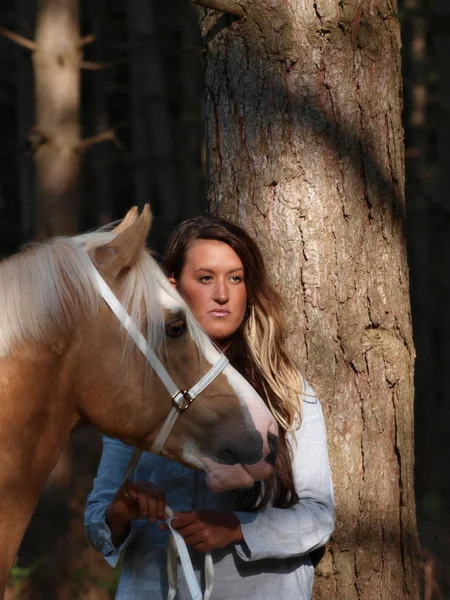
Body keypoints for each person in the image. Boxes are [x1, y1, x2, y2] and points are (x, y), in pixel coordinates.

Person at [85, 215, 335, 600]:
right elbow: (99, 522)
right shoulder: (137, 387)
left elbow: (319, 516)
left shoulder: (286, 389)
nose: (223, 294)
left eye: (235, 278)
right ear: (173, 285)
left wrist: (238, 528)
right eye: (205, 278)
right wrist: (122, 509)